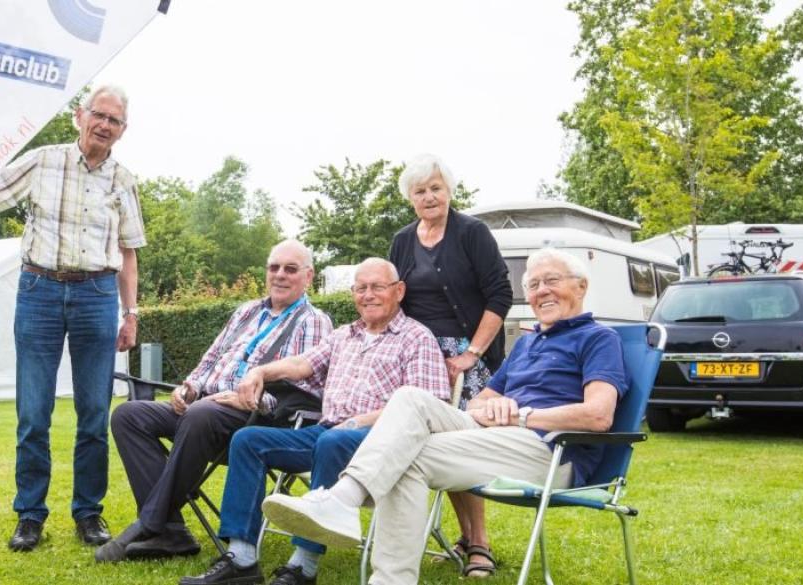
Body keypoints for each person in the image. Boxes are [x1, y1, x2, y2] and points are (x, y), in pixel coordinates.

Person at [262, 248, 628, 585]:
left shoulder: (598, 339)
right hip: (501, 433)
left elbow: (598, 416)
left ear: (581, 286)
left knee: (407, 457)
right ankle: (345, 502)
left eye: (552, 281)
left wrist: (520, 415)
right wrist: (493, 408)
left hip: (549, 451)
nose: (541, 291)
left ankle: (354, 524)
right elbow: (476, 404)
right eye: (533, 284)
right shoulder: (530, 342)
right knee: (409, 398)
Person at [179, 258, 451, 585]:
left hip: (381, 443)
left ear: (399, 291)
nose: (368, 295)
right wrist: (261, 371)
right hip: (327, 433)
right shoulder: (344, 335)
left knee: (331, 440)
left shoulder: (416, 338)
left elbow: (427, 406)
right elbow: (302, 364)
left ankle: (302, 567)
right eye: (361, 288)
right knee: (248, 440)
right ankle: (242, 559)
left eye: (377, 287)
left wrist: (359, 421)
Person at [0, 85, 144, 552]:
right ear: (80, 116)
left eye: (115, 120)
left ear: (122, 131)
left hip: (96, 295)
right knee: (34, 413)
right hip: (39, 291)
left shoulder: (124, 181)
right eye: (99, 115)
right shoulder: (43, 160)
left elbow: (129, 254)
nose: (105, 125)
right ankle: (29, 515)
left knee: (93, 413)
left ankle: (88, 513)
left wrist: (130, 314)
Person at [98, 240, 333, 562]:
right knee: (128, 415)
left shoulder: (314, 321)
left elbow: (305, 391)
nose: (280, 275)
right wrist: (189, 387)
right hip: (205, 407)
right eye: (274, 267)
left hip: (257, 417)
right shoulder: (247, 310)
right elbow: (210, 359)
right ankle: (172, 531)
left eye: (290, 269)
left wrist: (250, 399)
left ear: (308, 277)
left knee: (202, 415)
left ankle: (150, 523)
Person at [387, 154, 513, 576]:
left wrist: (470, 354)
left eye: (436, 188)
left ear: (449, 191)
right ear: (410, 198)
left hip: (465, 356)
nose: (429, 196)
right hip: (417, 357)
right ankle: (457, 536)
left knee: (458, 443)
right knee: (417, 443)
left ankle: (480, 542)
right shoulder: (402, 240)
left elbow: (499, 295)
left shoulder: (472, 233)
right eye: (420, 191)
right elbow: (394, 298)